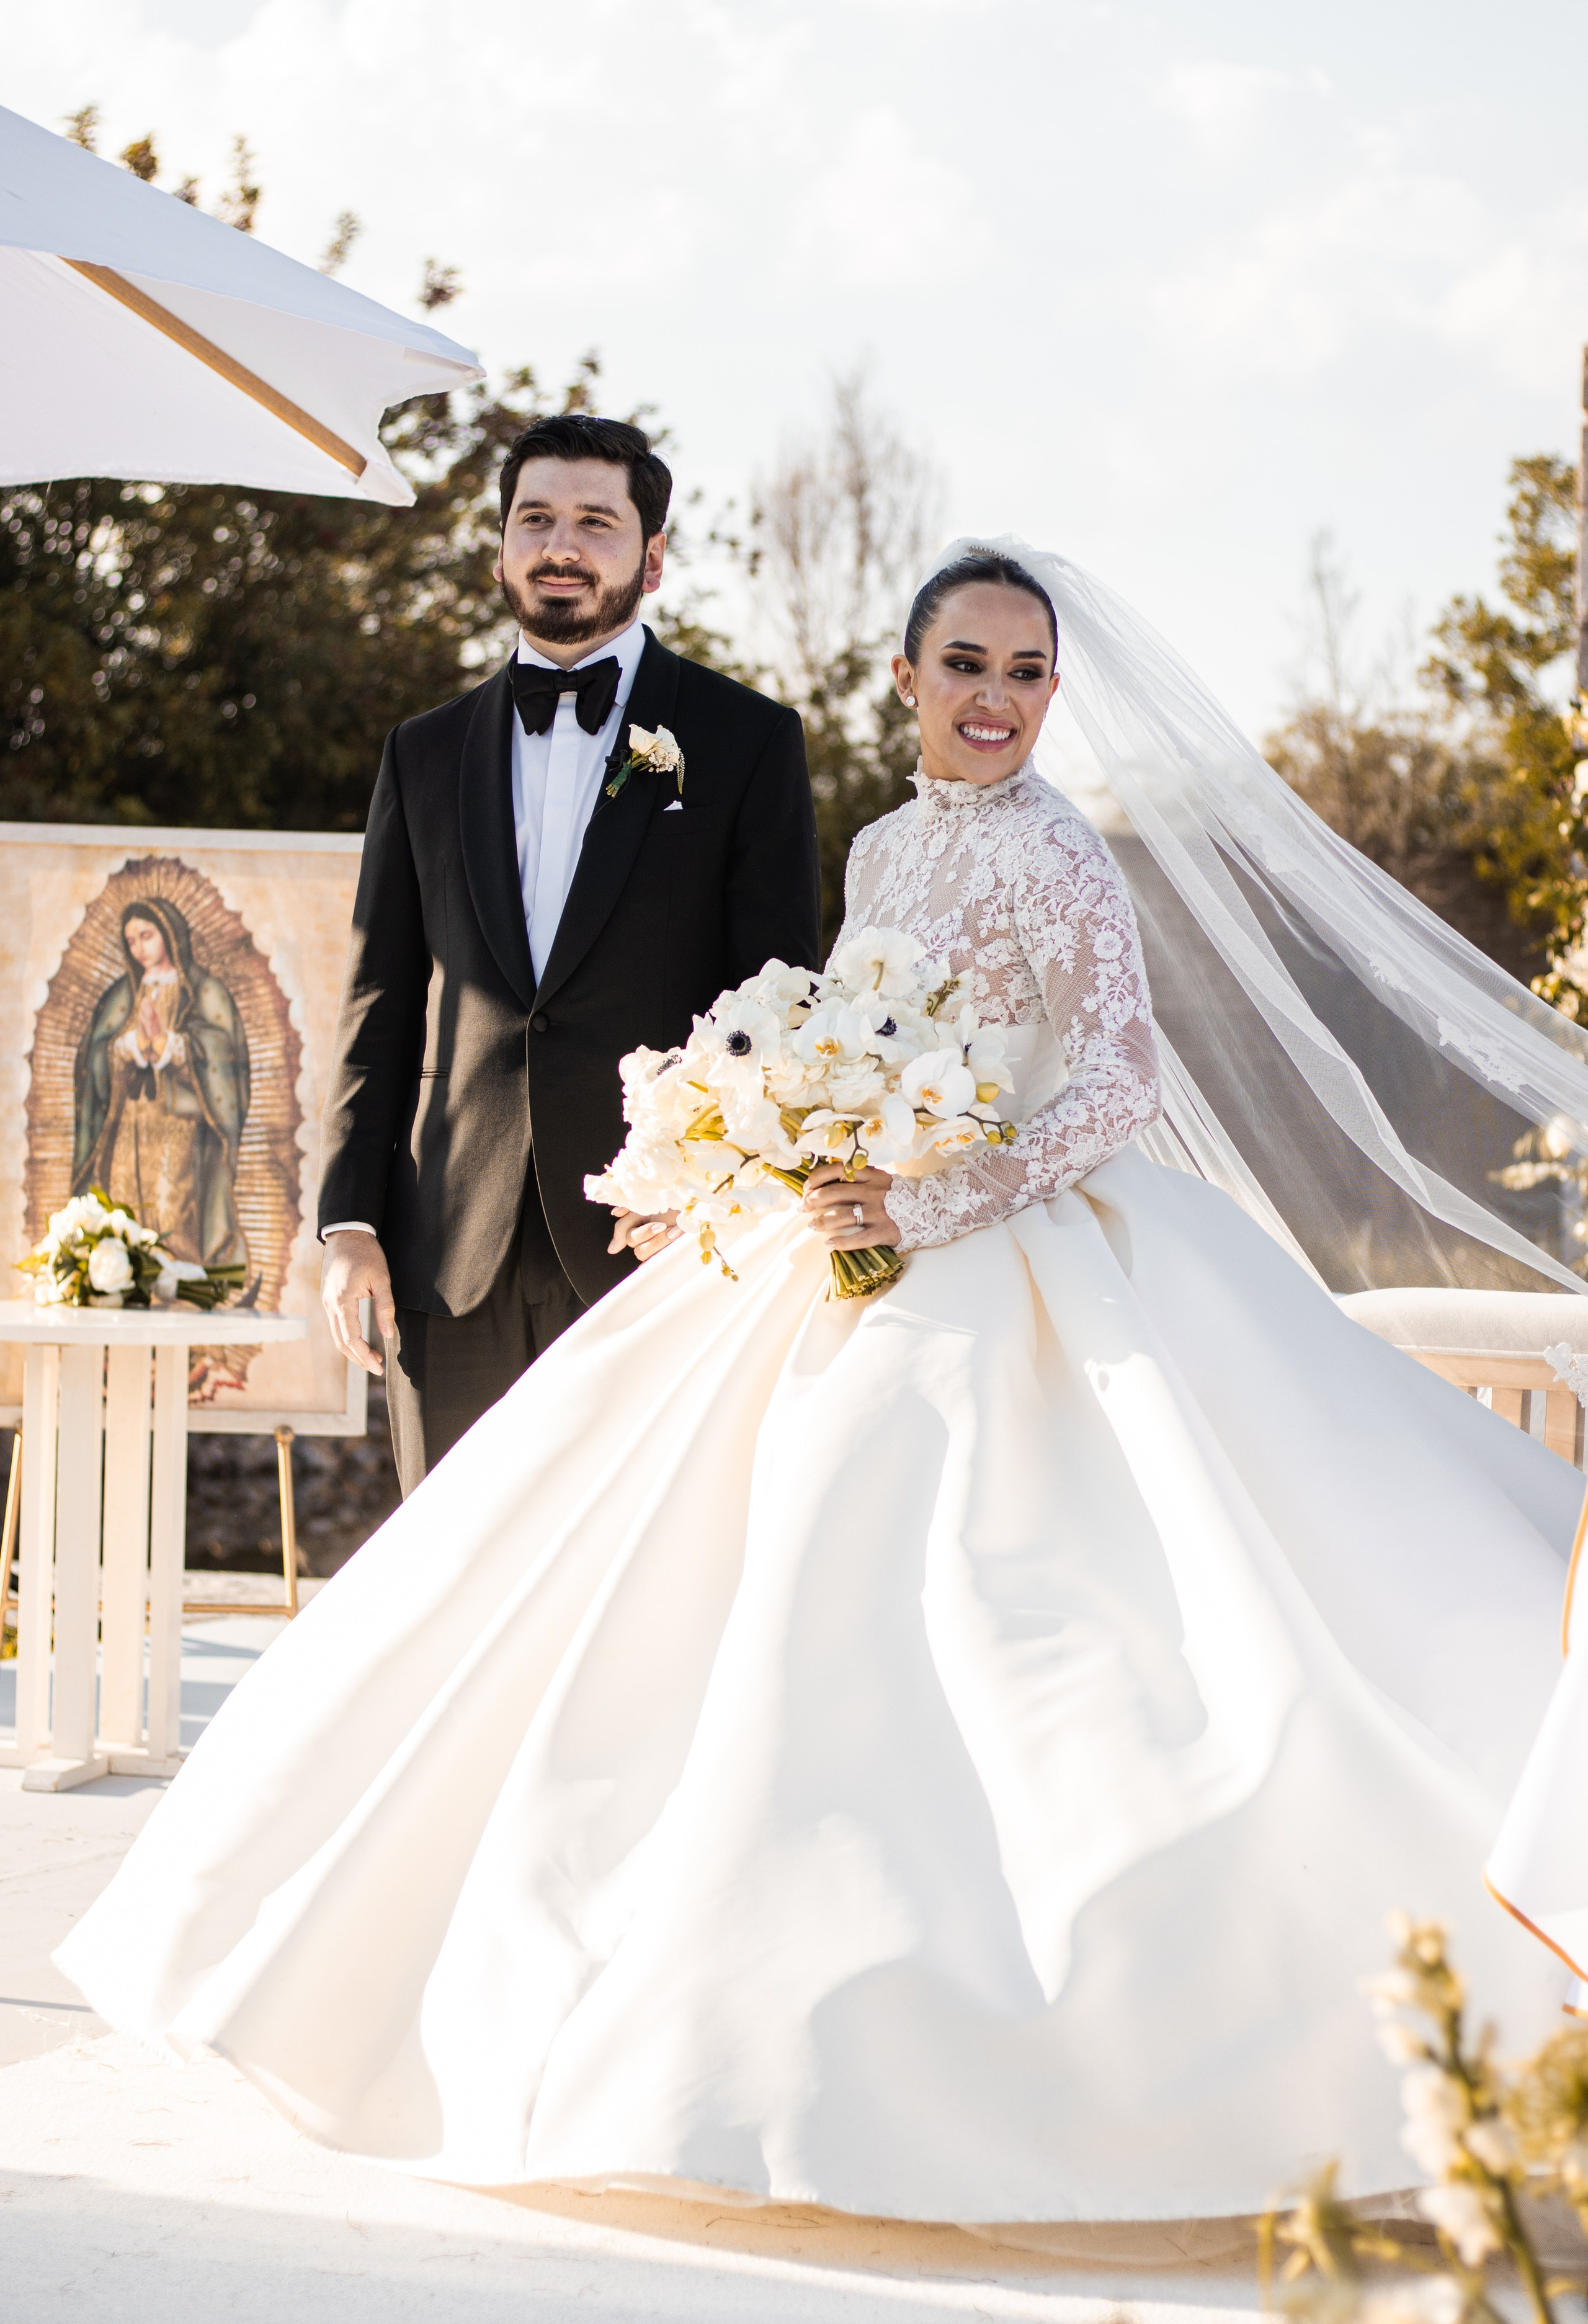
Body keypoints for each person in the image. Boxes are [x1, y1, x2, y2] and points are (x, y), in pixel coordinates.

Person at [58, 545, 1584, 2232]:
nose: (996, 699)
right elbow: (843, 1040)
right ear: (910, 679)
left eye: (1026, 672)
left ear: (1052, 696)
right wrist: (754, 1160)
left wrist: (929, 1197)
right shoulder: (877, 846)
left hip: (1016, 1249)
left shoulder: (1064, 856)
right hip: (837, 1240)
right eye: (967, 665)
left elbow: (1115, 1082)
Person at [316, 413, 820, 1490]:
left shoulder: (745, 740)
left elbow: (776, 1004)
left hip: (659, 1246)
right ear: (500, 547)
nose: (561, 545)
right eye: (535, 519)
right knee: (449, 1569)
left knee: (635, 1579)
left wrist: (720, 1197)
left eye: (596, 522)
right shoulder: (423, 752)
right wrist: (349, 1221)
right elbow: (381, 1001)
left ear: (652, 557)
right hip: (447, 1256)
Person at [73, 897, 249, 1274]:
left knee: (173, 1204)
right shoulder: (124, 994)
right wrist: (128, 1047)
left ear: (169, 934)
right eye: (131, 940)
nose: (139, 948)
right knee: (126, 1200)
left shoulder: (202, 989)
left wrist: (172, 1045)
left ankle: (181, 1285)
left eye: (146, 936)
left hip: (179, 1122)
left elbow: (224, 1050)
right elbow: (96, 1053)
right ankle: (133, 1283)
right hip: (129, 1122)